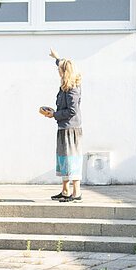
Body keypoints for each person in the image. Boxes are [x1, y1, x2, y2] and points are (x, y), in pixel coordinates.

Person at [39, 47, 82, 201]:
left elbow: (72, 111)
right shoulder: (65, 86)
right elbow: (63, 64)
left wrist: (54, 114)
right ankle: (65, 190)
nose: (58, 72)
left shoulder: (72, 90)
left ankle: (76, 193)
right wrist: (56, 57)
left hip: (71, 129)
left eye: (60, 70)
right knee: (63, 159)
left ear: (66, 72)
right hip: (63, 128)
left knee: (72, 160)